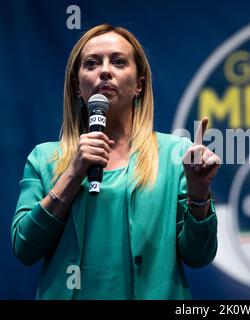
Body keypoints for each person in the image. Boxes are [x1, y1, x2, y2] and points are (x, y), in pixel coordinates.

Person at [11, 24, 221, 299]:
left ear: (138, 85)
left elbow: (199, 256)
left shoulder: (175, 154)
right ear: (77, 86)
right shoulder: (45, 158)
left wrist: (199, 194)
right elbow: (24, 247)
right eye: (92, 63)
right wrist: (72, 174)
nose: (105, 71)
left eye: (119, 62)